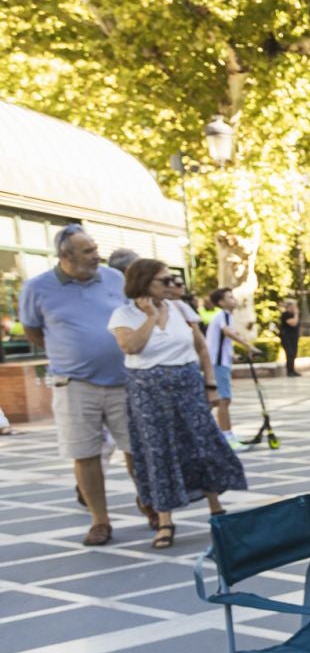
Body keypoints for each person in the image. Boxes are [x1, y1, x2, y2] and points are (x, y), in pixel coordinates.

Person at [108, 260, 248, 549]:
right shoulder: (124, 314)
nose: (171, 285)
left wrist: (210, 384)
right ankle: (165, 520)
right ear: (145, 282)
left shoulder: (180, 309)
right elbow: (131, 347)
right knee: (159, 452)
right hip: (148, 393)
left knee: (202, 444)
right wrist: (149, 317)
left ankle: (216, 509)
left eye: (172, 279)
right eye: (164, 280)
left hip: (187, 386)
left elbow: (200, 348)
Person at [18, 224, 142, 544]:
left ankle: (150, 502)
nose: (96, 255)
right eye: (87, 251)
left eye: (95, 248)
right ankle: (100, 520)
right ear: (65, 256)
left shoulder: (115, 279)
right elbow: (33, 330)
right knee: (85, 454)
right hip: (74, 384)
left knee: (136, 449)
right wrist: (67, 352)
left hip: (123, 380)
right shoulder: (37, 288)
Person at [204, 287, 261, 446]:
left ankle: (203, 432)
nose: (233, 300)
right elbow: (228, 333)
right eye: (229, 297)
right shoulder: (222, 315)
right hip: (218, 364)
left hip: (220, 362)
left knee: (212, 402)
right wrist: (248, 346)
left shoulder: (225, 316)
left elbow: (222, 343)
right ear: (221, 302)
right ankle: (227, 437)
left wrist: (234, 356)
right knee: (224, 400)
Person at [277, 298, 302, 376]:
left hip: (293, 338)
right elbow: (293, 323)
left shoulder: (292, 315)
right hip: (287, 338)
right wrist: (296, 314)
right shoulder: (286, 314)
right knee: (290, 353)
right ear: (289, 306)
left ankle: (292, 370)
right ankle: (289, 371)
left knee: (293, 353)